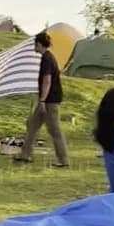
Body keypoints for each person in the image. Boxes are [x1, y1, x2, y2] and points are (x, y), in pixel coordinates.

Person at [14, 31, 69, 167]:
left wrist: (43, 100)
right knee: (32, 125)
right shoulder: (47, 57)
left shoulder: (47, 59)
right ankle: (25, 155)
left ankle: (63, 160)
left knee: (54, 130)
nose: (34, 47)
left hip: (50, 101)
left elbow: (47, 81)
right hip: (44, 100)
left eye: (35, 44)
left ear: (39, 44)